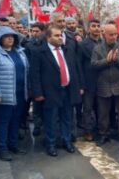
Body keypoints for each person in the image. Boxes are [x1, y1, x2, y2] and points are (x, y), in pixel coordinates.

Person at [30, 26, 82, 157]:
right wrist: (38, 93)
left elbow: (76, 68)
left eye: (61, 35)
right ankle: (51, 144)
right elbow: (34, 75)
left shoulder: (68, 50)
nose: (60, 37)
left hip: (68, 90)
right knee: (51, 120)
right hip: (50, 92)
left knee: (67, 118)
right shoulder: (39, 52)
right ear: (48, 37)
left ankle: (67, 141)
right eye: (57, 35)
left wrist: (80, 86)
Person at [0, 26, 29, 161]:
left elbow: (26, 72)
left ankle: (13, 144)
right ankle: (2, 148)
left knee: (15, 120)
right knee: (3, 122)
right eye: (6, 36)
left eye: (12, 36)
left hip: (20, 94)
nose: (10, 38)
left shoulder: (20, 52)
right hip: (3, 95)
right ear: (0, 38)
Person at [91, 24, 119, 146]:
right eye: (111, 34)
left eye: (115, 34)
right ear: (104, 35)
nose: (114, 37)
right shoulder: (97, 49)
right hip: (103, 85)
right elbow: (93, 64)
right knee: (103, 113)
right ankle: (104, 134)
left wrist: (116, 59)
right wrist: (106, 61)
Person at [79, 19, 102, 142]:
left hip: (102, 81)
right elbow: (79, 65)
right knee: (87, 108)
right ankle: (87, 131)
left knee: (101, 108)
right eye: (94, 26)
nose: (96, 28)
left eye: (98, 26)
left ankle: (101, 129)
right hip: (88, 81)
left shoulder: (104, 43)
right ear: (89, 28)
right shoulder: (83, 44)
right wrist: (81, 84)